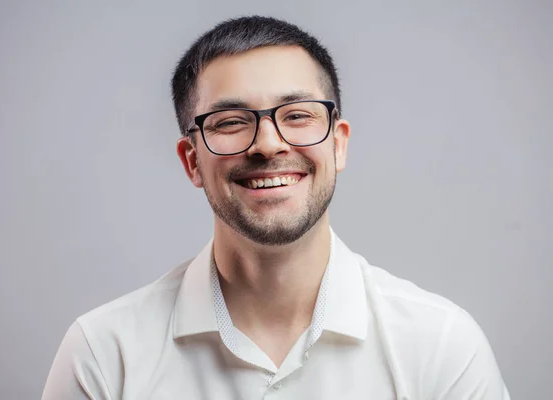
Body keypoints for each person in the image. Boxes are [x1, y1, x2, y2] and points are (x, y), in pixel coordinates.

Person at [42, 16, 510, 399]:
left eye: (298, 115)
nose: (268, 144)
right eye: (229, 121)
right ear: (192, 162)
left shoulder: (441, 346)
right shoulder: (104, 354)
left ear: (338, 145)